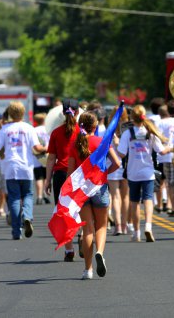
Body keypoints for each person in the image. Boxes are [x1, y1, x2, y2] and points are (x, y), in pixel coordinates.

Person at [68, 111, 120, 280]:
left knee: (87, 228)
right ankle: (100, 252)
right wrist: (105, 173)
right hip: (99, 187)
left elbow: (70, 172)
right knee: (102, 226)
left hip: (82, 190)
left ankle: (87, 270)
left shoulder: (76, 144)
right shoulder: (102, 142)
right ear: (95, 126)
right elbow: (117, 163)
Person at [0, 101, 46, 240]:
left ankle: (16, 231)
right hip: (26, 167)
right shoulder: (29, 128)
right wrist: (47, 149)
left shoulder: (5, 129)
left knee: (14, 198)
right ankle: (27, 216)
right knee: (27, 195)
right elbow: (37, 148)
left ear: (9, 113)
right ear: (23, 113)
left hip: (10, 167)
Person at [117, 104, 171, 243]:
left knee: (134, 202)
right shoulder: (150, 132)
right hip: (148, 172)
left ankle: (136, 232)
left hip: (133, 173)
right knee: (148, 199)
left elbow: (122, 154)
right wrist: (171, 147)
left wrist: (116, 144)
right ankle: (148, 226)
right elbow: (161, 151)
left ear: (131, 118)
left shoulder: (128, 133)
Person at [45, 98, 80, 261]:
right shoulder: (83, 132)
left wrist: (47, 180)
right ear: (78, 112)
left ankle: (69, 249)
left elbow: (51, 159)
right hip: (79, 175)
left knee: (63, 211)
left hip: (60, 175)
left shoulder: (56, 133)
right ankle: (81, 234)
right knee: (80, 209)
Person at [157, 100, 174, 217]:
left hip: (168, 154)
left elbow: (159, 137)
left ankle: (173, 207)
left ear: (168, 110)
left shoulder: (162, 122)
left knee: (170, 183)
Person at [107, 106, 130, 235]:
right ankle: (125, 224)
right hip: (126, 164)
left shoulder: (109, 130)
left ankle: (118, 226)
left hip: (112, 163)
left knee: (115, 195)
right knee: (125, 196)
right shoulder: (128, 129)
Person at [33, 113, 50, 205]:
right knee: (46, 177)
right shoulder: (48, 130)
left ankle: (39, 196)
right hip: (47, 156)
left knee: (38, 177)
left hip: (37, 156)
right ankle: (45, 194)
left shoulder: (34, 130)